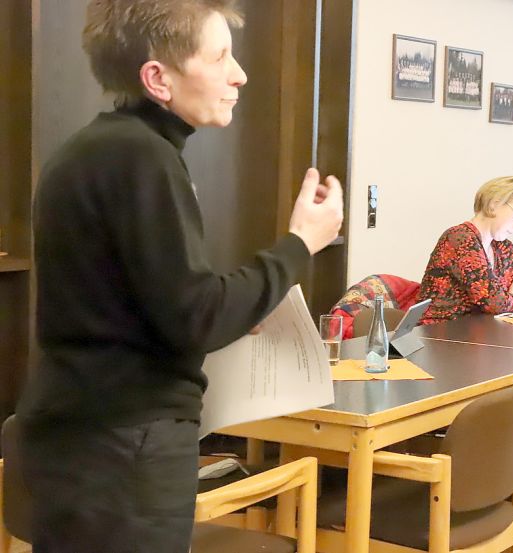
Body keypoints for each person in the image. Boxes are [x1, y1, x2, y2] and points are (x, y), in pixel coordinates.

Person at [16, 1, 344, 551]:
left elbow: (150, 306)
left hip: (83, 443)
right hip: (125, 449)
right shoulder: (143, 158)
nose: (239, 74)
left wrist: (242, 308)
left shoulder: (95, 151)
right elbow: (196, 317)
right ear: (157, 79)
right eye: (219, 57)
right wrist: (301, 243)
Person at [418, 176, 513, 325]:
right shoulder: (459, 238)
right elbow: (494, 304)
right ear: (494, 205)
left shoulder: (502, 246)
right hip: (439, 335)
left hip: (478, 335)